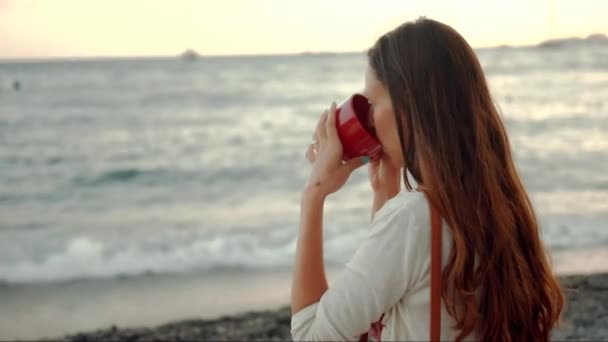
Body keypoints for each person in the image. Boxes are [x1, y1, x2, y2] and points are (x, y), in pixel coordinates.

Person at [290, 18, 565, 341]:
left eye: (372, 103)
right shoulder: (498, 203)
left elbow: (310, 334)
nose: (370, 120)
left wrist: (314, 195)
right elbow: (396, 296)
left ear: (408, 107)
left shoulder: (412, 218)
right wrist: (384, 192)